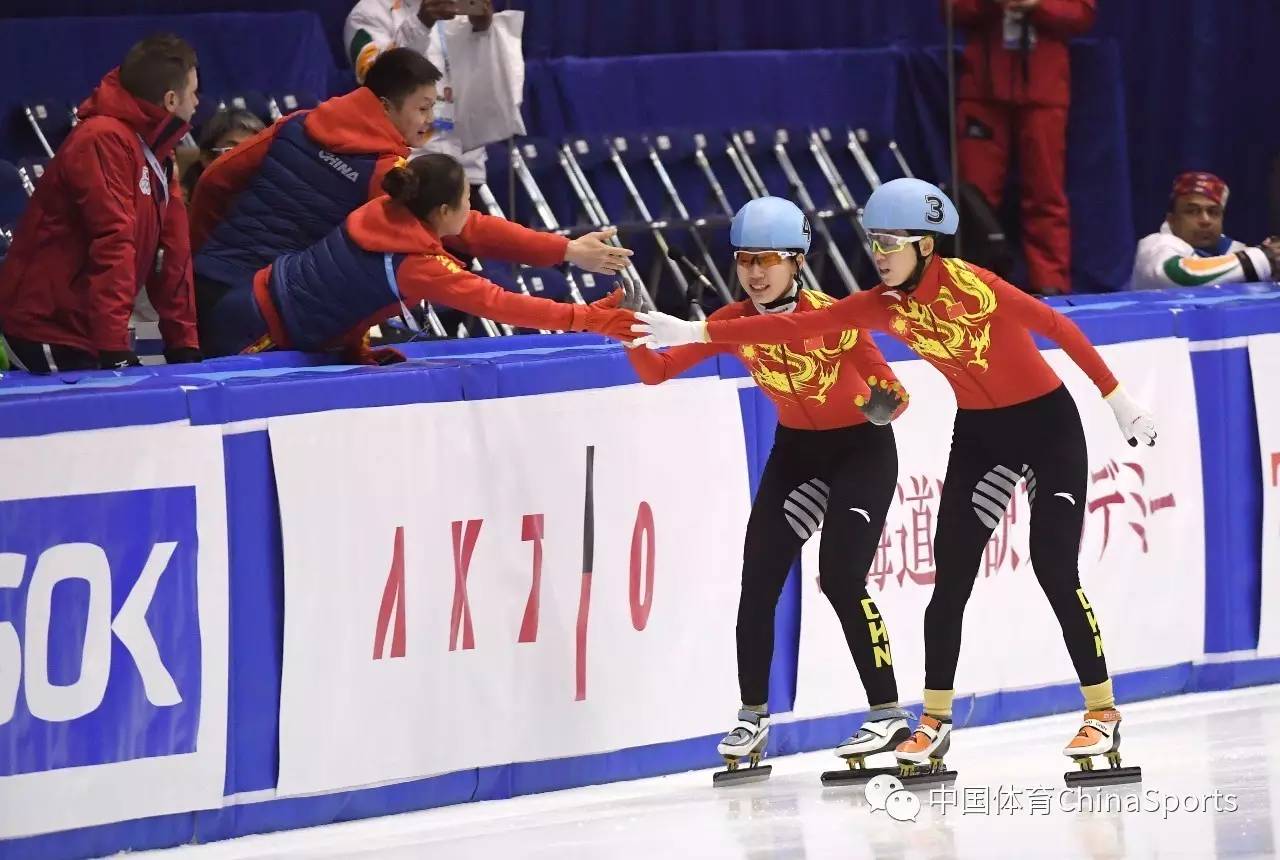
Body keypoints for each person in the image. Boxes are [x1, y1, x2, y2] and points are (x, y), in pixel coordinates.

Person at [631, 178, 1158, 779]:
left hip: (1047, 429)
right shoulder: (880, 306)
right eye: (872, 241)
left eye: (889, 243)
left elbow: (1059, 329)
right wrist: (695, 332)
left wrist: (1118, 400)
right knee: (950, 581)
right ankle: (932, 723)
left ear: (926, 246)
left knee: (1054, 568)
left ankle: (1102, 711)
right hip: (980, 436)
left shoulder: (976, 288)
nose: (877, 253)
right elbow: (791, 330)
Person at [615, 196, 914, 774]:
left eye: (769, 260)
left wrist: (874, 404)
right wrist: (628, 328)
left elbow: (896, 396)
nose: (755, 272)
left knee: (843, 578)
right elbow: (657, 371)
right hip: (797, 456)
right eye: (746, 260)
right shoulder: (730, 323)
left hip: (859, 455)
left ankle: (889, 715)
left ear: (797, 262)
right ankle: (753, 716)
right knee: (758, 585)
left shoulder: (835, 317)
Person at [198, 153, 635, 362]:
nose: (472, 210)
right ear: (443, 212)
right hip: (258, 336)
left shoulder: (386, 208)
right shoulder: (418, 266)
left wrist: (568, 249)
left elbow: (341, 291)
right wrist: (585, 318)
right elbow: (501, 305)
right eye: (467, 200)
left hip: (248, 304)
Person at [189, 46, 441, 325]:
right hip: (268, 308)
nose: (431, 119)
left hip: (208, 281)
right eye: (423, 108)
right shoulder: (386, 172)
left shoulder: (297, 123)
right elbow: (399, 262)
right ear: (384, 106)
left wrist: (202, 252)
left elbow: (213, 181)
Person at [0, 33, 201, 372]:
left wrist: (184, 344)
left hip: (88, 331)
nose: (198, 103)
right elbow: (112, 241)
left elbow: (173, 254)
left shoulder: (160, 152)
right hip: (48, 329)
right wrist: (114, 347)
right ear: (170, 100)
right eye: (193, 92)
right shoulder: (101, 140)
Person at [951, 0, 1096, 295]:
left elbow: (1082, 14)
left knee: (1045, 191)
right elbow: (951, 11)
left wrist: (1038, 5)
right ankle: (968, 284)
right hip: (983, 88)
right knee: (973, 196)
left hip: (1044, 90)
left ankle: (1051, 283)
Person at [345, 0, 495, 198]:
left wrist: (483, 32)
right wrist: (421, 23)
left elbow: (491, 79)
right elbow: (374, 77)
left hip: (465, 163)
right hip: (406, 165)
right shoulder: (368, 12)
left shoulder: (458, 8)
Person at [1129, 172, 1278, 291]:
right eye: (1192, 211)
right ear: (1172, 219)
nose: (1205, 220)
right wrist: (1264, 259)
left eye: (1213, 212)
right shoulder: (1154, 247)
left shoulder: (1236, 250)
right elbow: (1181, 276)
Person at [180, 108, 265, 201]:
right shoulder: (182, 208)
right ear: (207, 158)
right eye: (233, 151)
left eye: (253, 151)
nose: (244, 162)